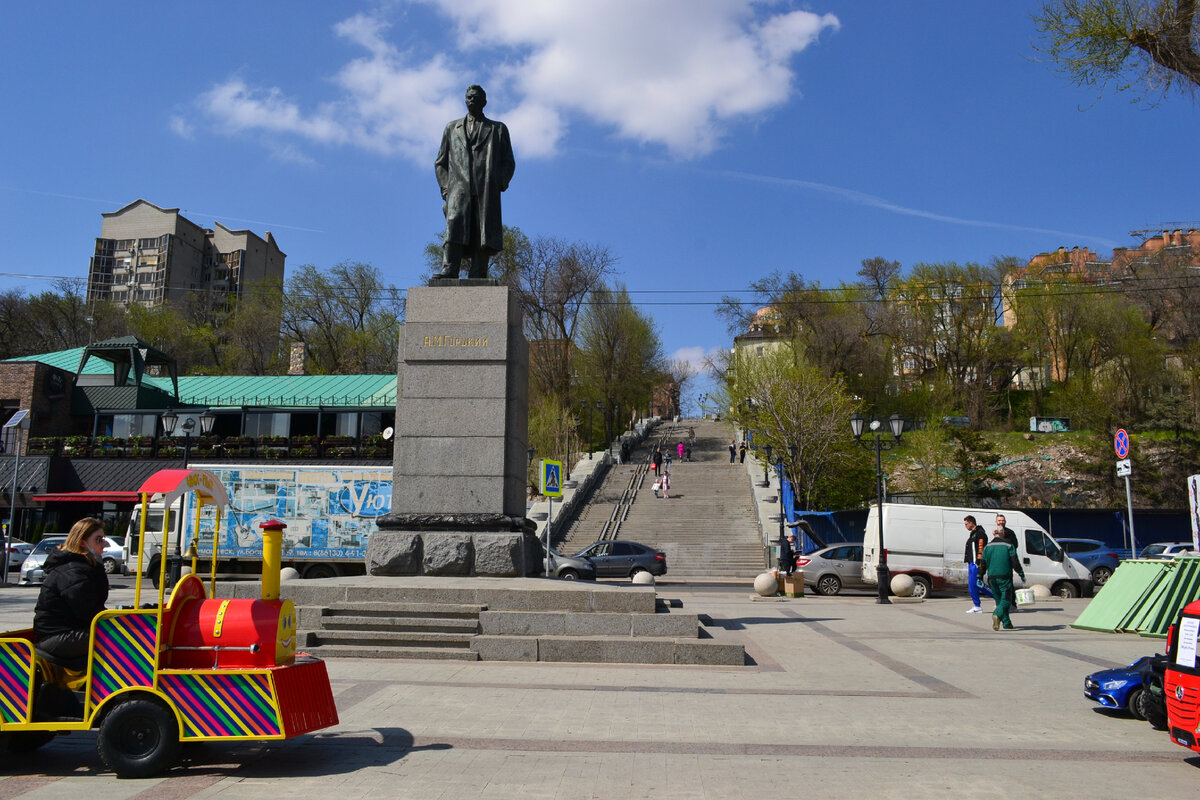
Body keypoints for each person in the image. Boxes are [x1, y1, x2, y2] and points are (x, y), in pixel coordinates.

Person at [433, 85, 515, 281]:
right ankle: (450, 268)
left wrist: (499, 182)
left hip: (486, 188)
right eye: (469, 97)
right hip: (458, 189)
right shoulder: (451, 128)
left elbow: (508, 162)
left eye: (476, 98)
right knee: (454, 226)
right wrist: (446, 188)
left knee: (482, 230)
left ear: (484, 102)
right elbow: (440, 163)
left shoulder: (498, 129)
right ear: (465, 100)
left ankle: (478, 272)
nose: (472, 100)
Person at [33, 517, 110, 666]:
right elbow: (88, 611)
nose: (104, 543)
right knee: (118, 638)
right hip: (57, 637)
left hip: (70, 632)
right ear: (82, 542)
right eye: (98, 539)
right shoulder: (72, 571)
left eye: (104, 538)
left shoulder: (84, 567)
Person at [981, 525, 1026, 631]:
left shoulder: (987, 547)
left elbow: (982, 563)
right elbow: (1015, 562)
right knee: (1007, 600)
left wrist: (979, 575)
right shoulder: (1008, 545)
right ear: (1003, 533)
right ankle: (996, 614)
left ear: (993, 533)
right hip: (1004, 577)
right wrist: (1021, 573)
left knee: (999, 601)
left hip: (991, 578)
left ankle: (1007, 623)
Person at [963, 515, 993, 613]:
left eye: (966, 524)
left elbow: (980, 549)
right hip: (971, 563)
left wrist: (978, 563)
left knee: (978, 584)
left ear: (972, 523)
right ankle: (977, 606)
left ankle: (999, 598)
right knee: (972, 585)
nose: (966, 526)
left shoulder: (980, 534)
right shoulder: (973, 534)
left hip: (976, 564)